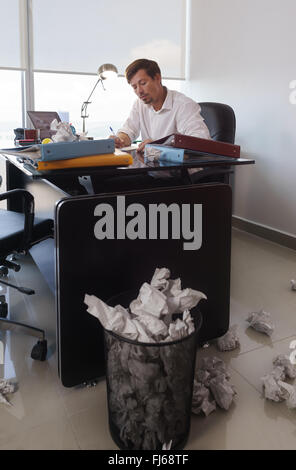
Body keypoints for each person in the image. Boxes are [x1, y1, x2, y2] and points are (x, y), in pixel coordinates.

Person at [109, 58, 211, 151]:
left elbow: (201, 140)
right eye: (134, 87)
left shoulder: (183, 105)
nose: (139, 91)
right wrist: (119, 140)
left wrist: (161, 145)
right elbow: (129, 130)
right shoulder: (139, 104)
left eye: (143, 83)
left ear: (157, 78)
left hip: (181, 169)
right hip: (152, 166)